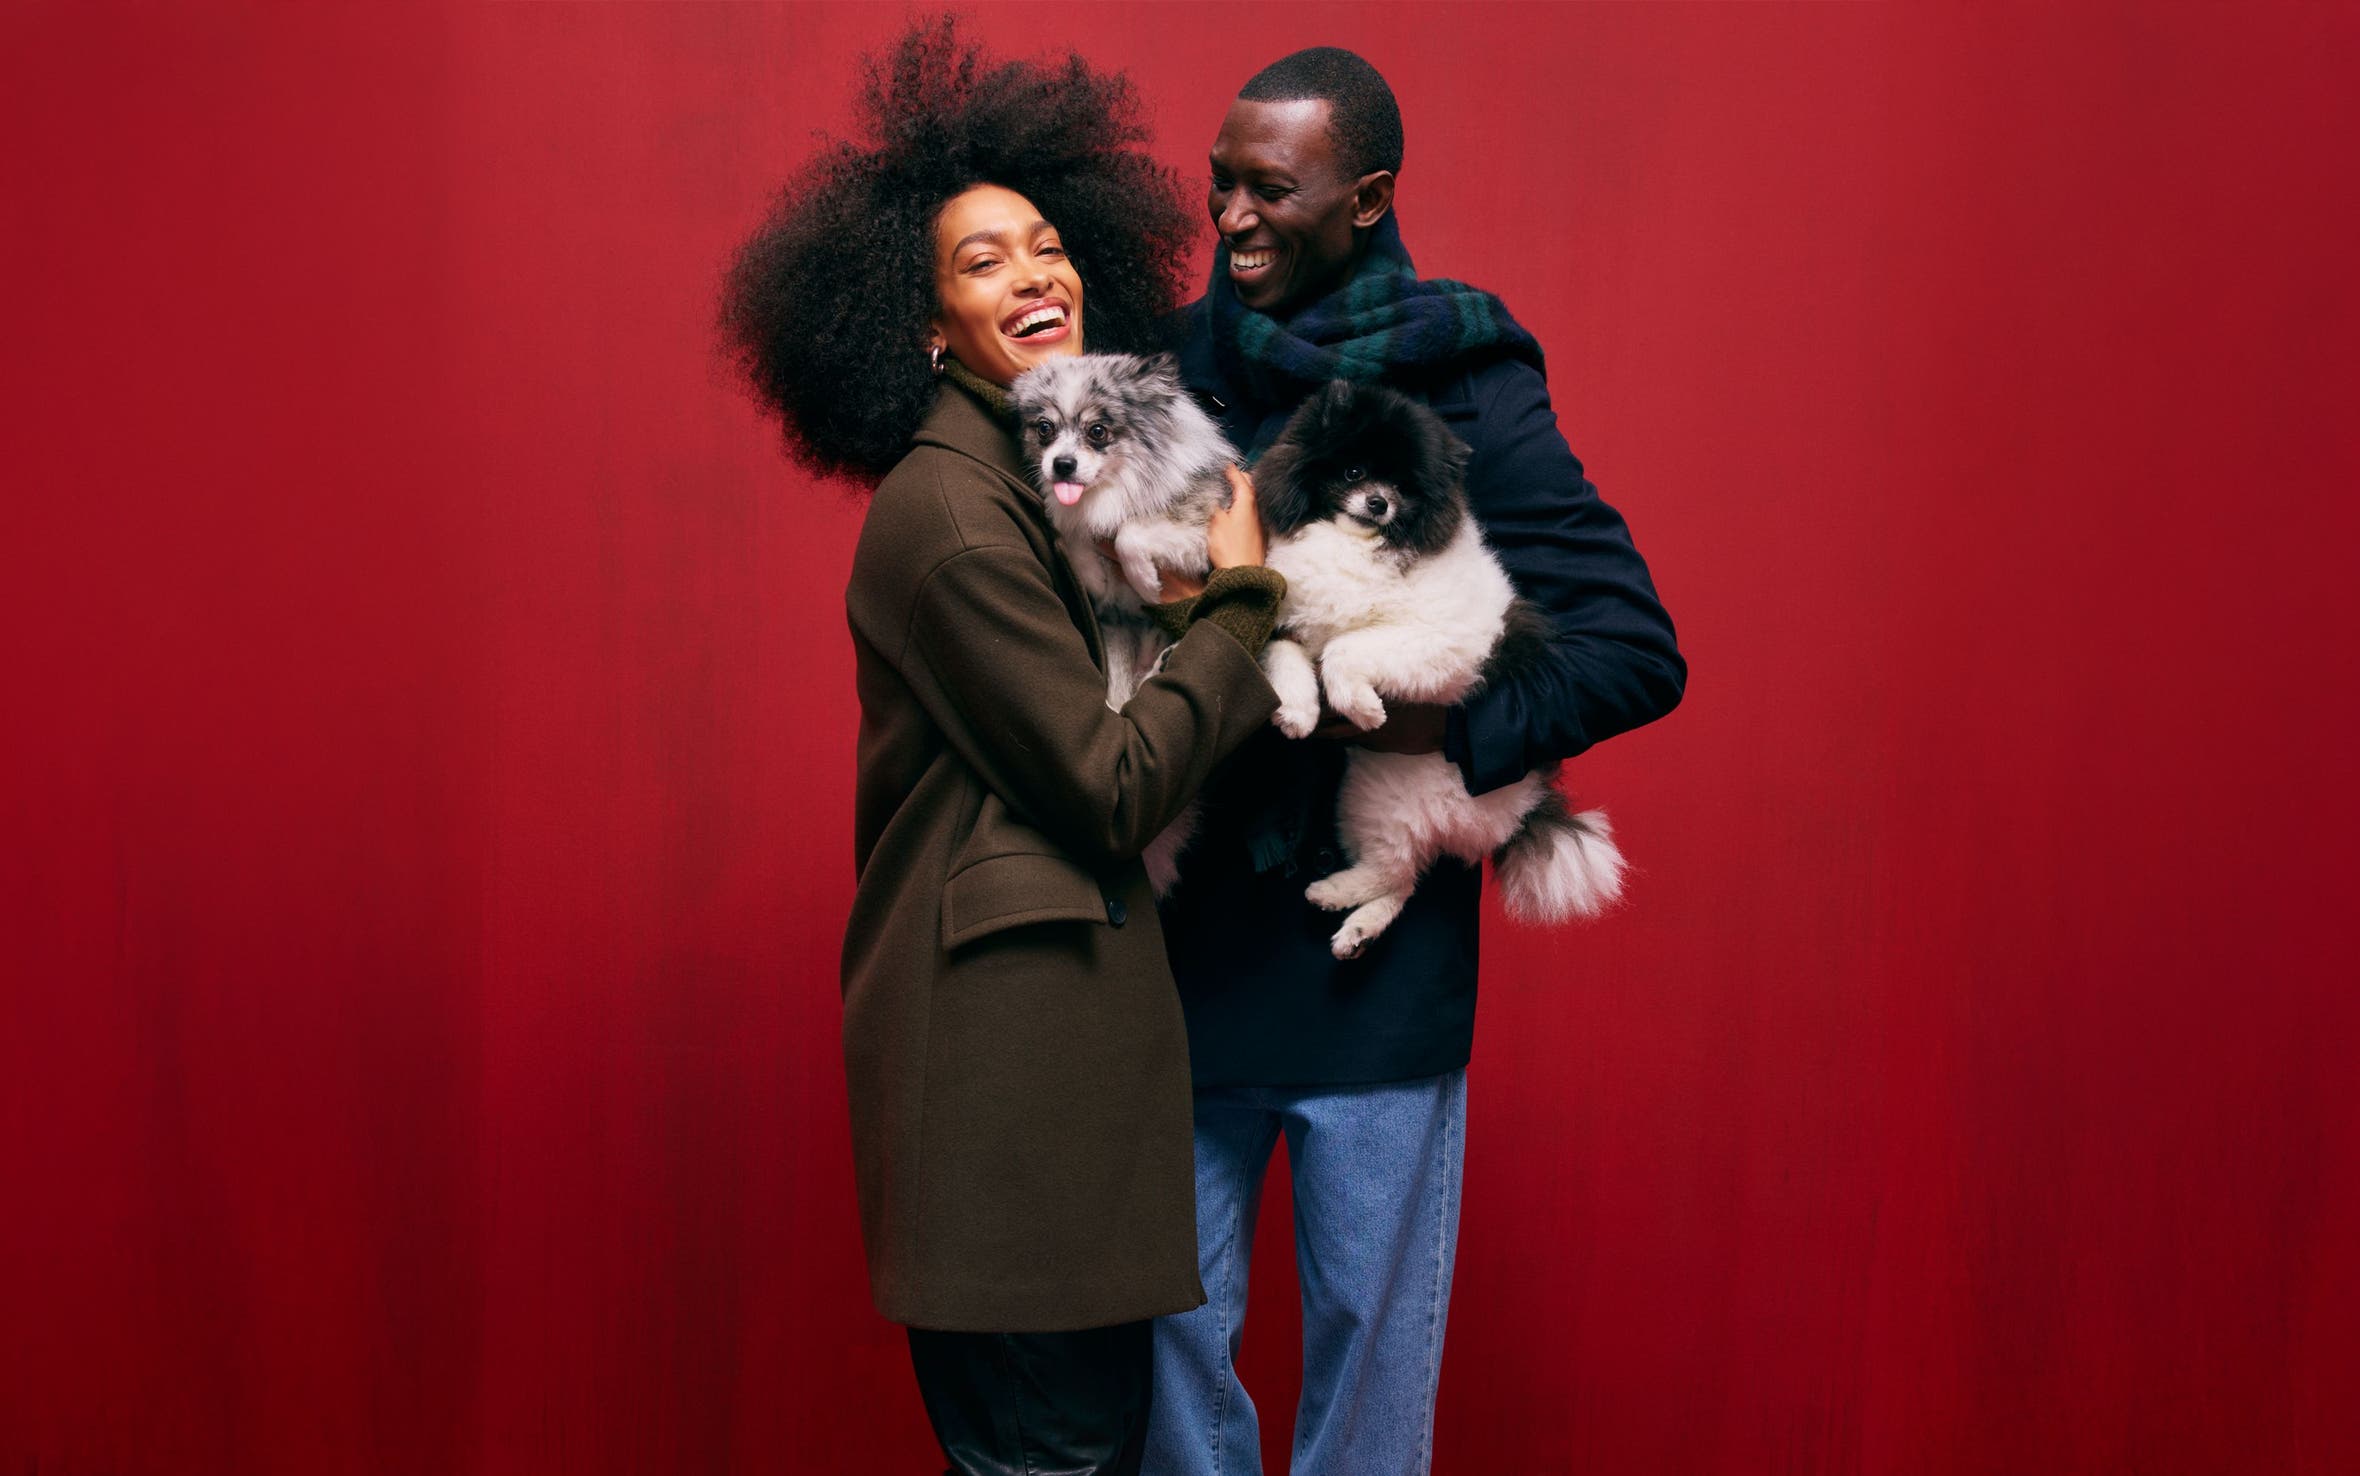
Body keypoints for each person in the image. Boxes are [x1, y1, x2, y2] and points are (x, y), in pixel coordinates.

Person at [719, 21, 1288, 1475]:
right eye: (983, 262)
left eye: (1047, 244)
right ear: (920, 325)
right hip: (1006, 1123)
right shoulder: (956, 515)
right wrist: (1238, 602)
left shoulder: (1024, 484)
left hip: (1036, 1116)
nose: (1036, 272)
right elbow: (1106, 788)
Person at [1144, 48, 1687, 1476]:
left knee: (1370, 1379)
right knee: (1160, 1360)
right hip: (1168, 959)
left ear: (1370, 197)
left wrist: (1413, 723)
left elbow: (1634, 645)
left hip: (1371, 979)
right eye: (1220, 181)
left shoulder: (1463, 378)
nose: (1231, 216)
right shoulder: (1167, 368)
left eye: (1273, 187)